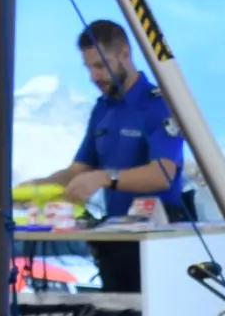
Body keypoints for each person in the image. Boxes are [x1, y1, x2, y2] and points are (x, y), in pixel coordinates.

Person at [34, 18, 188, 296]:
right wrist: (37, 186)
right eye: (88, 67)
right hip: (115, 242)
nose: (94, 76)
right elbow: (79, 170)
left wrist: (105, 178)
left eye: (100, 65)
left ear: (125, 55)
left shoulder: (159, 103)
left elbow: (163, 174)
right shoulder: (103, 109)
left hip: (159, 245)